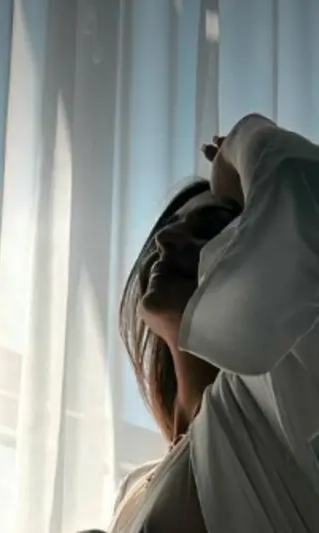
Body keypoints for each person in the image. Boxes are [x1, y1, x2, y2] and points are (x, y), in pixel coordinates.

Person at [111, 113, 319, 533]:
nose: (165, 240)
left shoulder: (270, 399)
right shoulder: (134, 488)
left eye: (208, 229)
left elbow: (305, 187)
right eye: (170, 229)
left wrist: (240, 143)